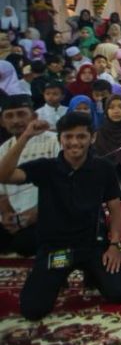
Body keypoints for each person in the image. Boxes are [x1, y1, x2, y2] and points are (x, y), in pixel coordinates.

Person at [0, 113, 121, 320]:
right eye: (68, 137)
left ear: (92, 138)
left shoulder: (103, 168)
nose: (74, 142)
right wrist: (25, 136)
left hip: (92, 245)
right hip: (55, 248)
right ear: (59, 139)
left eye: (81, 137)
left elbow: (115, 209)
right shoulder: (45, 168)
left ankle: (93, 274)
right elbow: (4, 175)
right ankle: (52, 274)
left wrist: (114, 245)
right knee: (33, 310)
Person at [0, 95, 59, 256]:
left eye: (21, 114)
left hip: (45, 214)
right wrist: (7, 215)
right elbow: (2, 193)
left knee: (24, 245)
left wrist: (31, 216)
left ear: (33, 117)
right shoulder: (3, 150)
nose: (15, 120)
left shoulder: (54, 141)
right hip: (15, 217)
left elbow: (60, 189)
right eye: (9, 116)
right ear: (2, 122)